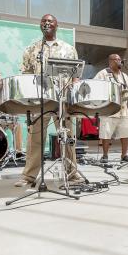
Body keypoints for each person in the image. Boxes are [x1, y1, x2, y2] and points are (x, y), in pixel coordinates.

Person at [15, 14, 80, 188]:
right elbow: (26, 75)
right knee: (35, 138)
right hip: (40, 100)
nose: (47, 23)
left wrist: (73, 95)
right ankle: (29, 176)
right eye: (44, 21)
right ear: (40, 25)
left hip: (62, 99)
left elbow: (75, 76)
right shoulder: (32, 49)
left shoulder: (69, 49)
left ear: (57, 25)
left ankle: (72, 175)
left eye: (50, 21)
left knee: (67, 137)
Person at [93, 54, 128, 163]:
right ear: (110, 61)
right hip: (109, 108)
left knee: (125, 131)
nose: (119, 61)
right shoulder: (103, 73)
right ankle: (105, 155)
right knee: (106, 132)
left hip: (123, 109)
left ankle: (124, 155)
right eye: (116, 59)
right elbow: (95, 86)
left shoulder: (124, 76)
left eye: (120, 59)